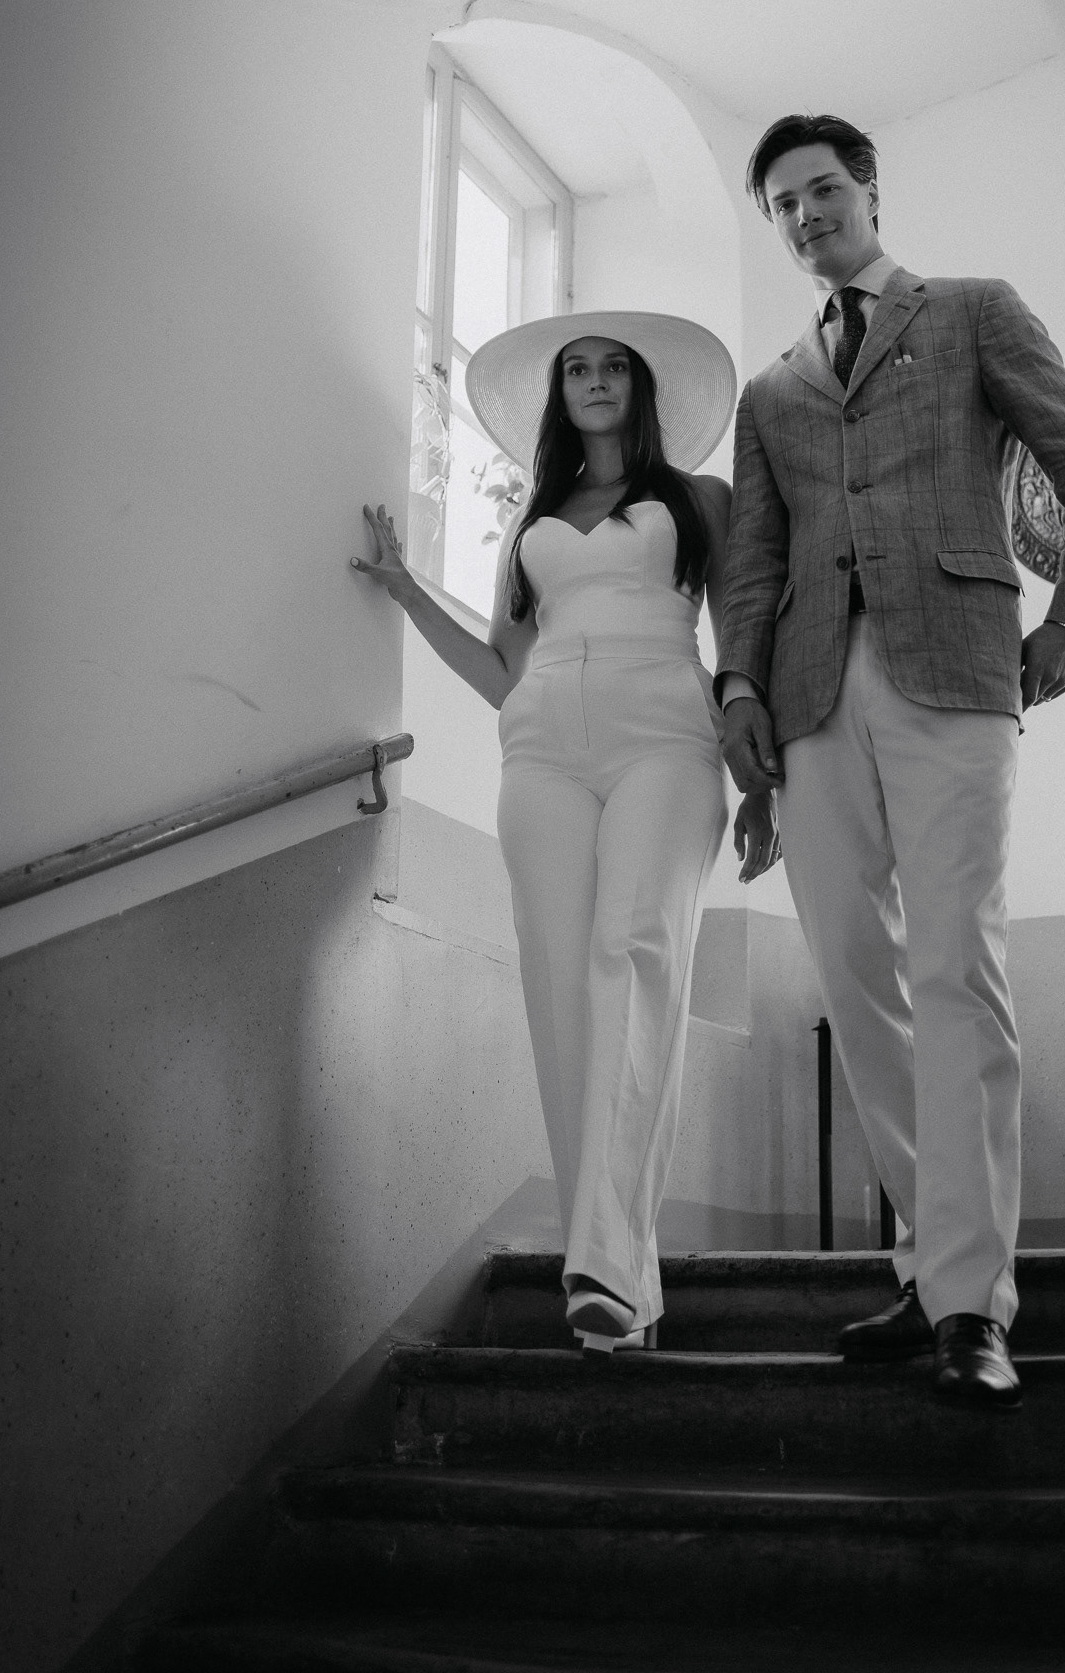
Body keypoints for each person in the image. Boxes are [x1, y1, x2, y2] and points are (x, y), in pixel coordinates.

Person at [718, 115, 1065, 1405]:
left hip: (956, 669)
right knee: (858, 983)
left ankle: (970, 1302)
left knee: (956, 968)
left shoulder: (971, 310)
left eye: (822, 189)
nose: (805, 215)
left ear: (869, 191)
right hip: (808, 701)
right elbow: (754, 561)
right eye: (783, 203)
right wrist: (739, 689)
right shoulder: (769, 391)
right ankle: (928, 1258)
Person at [353, 311, 777, 1354]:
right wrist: (409, 591)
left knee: (631, 954)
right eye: (577, 368)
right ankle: (621, 1284)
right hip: (541, 745)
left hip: (665, 731)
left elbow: (743, 636)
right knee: (559, 987)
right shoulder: (531, 522)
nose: (594, 380)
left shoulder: (701, 500)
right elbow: (504, 670)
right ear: (559, 395)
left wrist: (760, 769)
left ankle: (598, 1264)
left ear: (641, 388)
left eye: (612, 367)